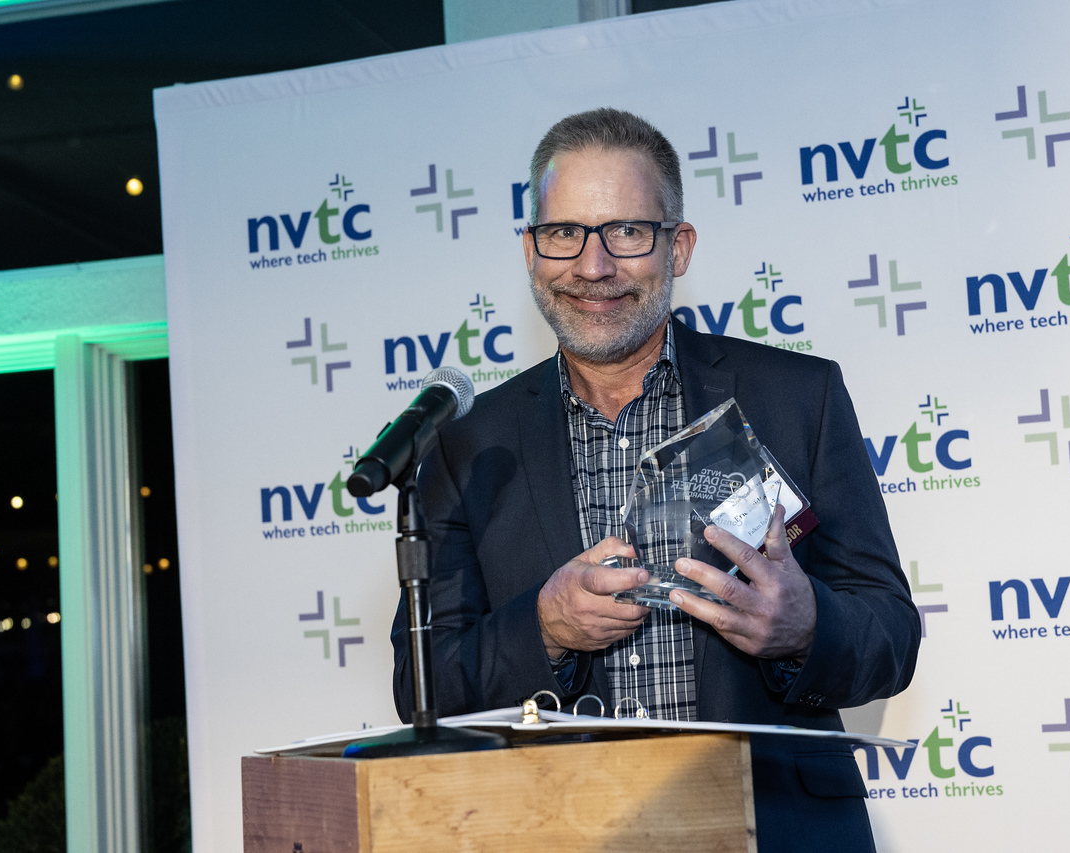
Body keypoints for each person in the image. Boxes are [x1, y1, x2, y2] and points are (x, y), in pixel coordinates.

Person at [392, 107, 920, 851]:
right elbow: (425, 687)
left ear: (680, 247)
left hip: (776, 829)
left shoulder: (797, 397)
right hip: (561, 831)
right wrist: (542, 626)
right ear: (530, 250)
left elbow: (892, 635)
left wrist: (803, 626)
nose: (593, 264)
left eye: (628, 232)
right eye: (564, 233)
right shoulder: (467, 445)